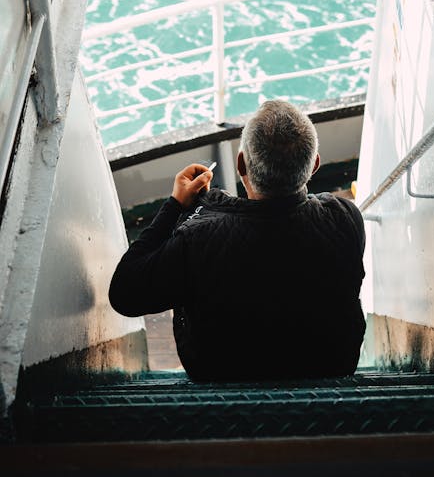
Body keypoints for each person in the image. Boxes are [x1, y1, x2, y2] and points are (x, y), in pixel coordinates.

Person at [109, 100, 366, 381]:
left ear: (240, 163)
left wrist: (175, 206)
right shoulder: (345, 218)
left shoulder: (197, 239)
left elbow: (125, 294)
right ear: (315, 164)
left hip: (219, 375)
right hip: (328, 370)